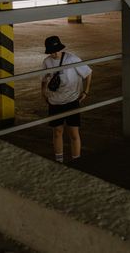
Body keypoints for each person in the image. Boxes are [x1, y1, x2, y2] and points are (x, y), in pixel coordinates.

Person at [41, 36, 92, 164]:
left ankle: (76, 162)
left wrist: (86, 91)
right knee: (57, 132)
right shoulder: (47, 62)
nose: (53, 54)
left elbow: (88, 73)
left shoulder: (72, 59)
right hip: (55, 101)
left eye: (56, 50)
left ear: (60, 48)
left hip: (71, 100)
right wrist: (43, 93)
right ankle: (59, 161)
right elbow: (44, 79)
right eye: (51, 51)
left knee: (73, 133)